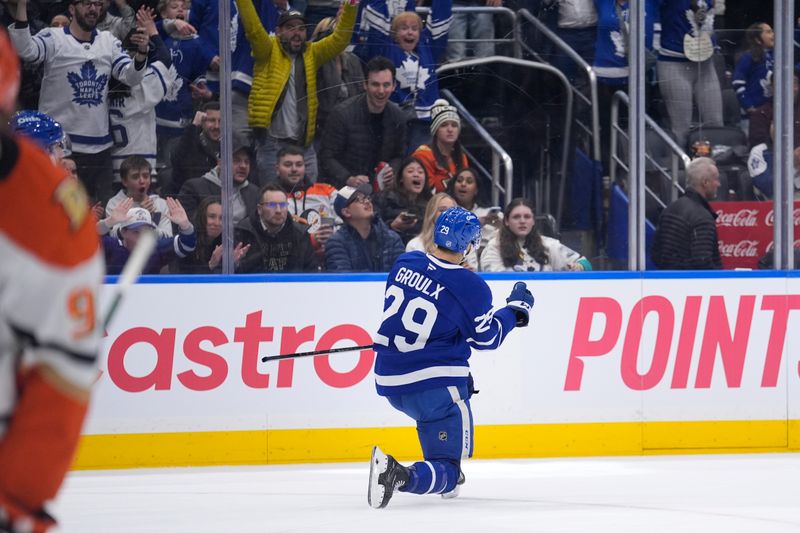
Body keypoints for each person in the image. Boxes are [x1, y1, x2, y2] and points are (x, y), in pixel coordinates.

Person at [0, 29, 104, 533]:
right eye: (59, 151)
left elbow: (60, 376)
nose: (68, 161)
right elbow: (62, 379)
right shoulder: (57, 221)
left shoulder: (55, 221)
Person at [368, 206, 534, 509]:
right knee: (448, 468)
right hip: (434, 387)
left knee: (435, 434)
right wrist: (515, 311)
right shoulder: (470, 287)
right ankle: (398, 474)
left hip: (390, 379)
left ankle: (436, 470)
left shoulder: (405, 262)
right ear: (470, 245)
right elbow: (487, 338)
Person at [9, 0, 150, 203]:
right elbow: (27, 51)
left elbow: (131, 77)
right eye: (86, 3)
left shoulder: (108, 41)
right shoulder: (53, 37)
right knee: (59, 210)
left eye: (97, 4)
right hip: (61, 148)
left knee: (98, 214)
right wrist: (21, 7)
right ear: (72, 9)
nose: (93, 8)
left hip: (99, 148)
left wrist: (142, 52)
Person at [235, 0, 360, 183]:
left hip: (304, 146)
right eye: (290, 28)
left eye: (301, 28)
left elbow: (340, 40)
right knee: (272, 198)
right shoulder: (267, 50)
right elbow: (253, 28)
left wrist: (351, 6)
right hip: (271, 144)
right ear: (278, 32)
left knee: (309, 200)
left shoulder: (312, 53)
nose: (297, 33)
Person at [356, 0, 452, 153]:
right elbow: (378, 21)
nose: (409, 32)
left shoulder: (428, 47)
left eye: (414, 29)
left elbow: (441, 19)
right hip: (391, 121)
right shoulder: (384, 48)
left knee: (419, 166)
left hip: (423, 123)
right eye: (404, 28)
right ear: (394, 34)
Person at [108, 7, 177, 188]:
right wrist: (153, 31)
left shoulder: (105, 87)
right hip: (140, 168)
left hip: (114, 166)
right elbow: (165, 61)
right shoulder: (140, 87)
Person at [319, 55, 408, 190]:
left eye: (386, 85)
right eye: (375, 84)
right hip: (343, 190)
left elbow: (400, 155)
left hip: (380, 189)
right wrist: (348, 178)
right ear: (365, 84)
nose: (381, 91)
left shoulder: (398, 116)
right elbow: (326, 157)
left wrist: (392, 171)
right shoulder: (342, 114)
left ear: (394, 86)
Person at [657, 0, 723, 150]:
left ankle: (713, 169)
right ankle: (681, 170)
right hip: (674, 62)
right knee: (682, 128)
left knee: (716, 124)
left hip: (705, 62)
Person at [480, 197, 592, 272]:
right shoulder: (494, 247)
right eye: (516, 217)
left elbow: (586, 264)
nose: (522, 221)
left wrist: (579, 267)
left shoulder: (549, 244)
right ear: (506, 221)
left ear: (533, 221)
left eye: (527, 217)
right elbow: (495, 283)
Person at [652, 157, 722, 270]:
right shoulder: (703, 218)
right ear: (705, 182)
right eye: (716, 179)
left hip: (667, 283)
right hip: (694, 286)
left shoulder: (669, 209)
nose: (719, 184)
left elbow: (656, 255)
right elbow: (703, 264)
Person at [98, 197, 197, 274]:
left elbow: (186, 246)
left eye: (146, 232)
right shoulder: (111, 246)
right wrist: (108, 222)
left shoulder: (156, 248)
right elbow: (85, 241)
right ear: (124, 232)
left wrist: (185, 225)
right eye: (136, 232)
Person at [235, 184, 320, 272]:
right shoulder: (243, 231)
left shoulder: (300, 233)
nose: (278, 211)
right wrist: (235, 263)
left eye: (283, 205)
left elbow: (311, 271)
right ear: (259, 209)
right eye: (272, 205)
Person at [177, 137, 260, 223]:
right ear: (220, 163)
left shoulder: (255, 193)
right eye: (236, 160)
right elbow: (188, 226)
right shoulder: (195, 188)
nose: (243, 166)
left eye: (247, 162)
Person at [324, 184, 405, 271]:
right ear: (346, 212)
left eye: (367, 198)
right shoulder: (336, 243)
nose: (367, 202)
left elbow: (400, 276)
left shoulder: (391, 238)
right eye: (359, 199)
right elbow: (342, 280)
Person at [274, 145, 337, 254]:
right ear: (277, 169)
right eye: (288, 165)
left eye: (299, 165)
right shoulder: (271, 198)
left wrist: (332, 237)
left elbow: (347, 225)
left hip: (331, 256)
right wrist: (312, 241)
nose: (294, 169)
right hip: (292, 261)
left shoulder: (327, 191)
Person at [312, 13, 365, 141]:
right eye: (330, 35)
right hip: (322, 128)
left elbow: (361, 94)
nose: (335, 40)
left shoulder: (353, 61)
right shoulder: (314, 61)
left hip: (351, 127)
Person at [173, 196, 251, 273]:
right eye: (212, 217)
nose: (217, 223)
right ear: (202, 217)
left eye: (222, 218)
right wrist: (211, 265)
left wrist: (234, 264)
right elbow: (186, 279)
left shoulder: (228, 241)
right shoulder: (188, 242)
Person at [406, 192, 478, 269]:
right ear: (432, 214)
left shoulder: (467, 244)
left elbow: (476, 273)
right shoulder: (414, 245)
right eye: (442, 210)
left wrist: (468, 271)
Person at [106, 156, 173, 237]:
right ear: (124, 181)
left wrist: (148, 221)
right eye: (135, 177)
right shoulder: (114, 204)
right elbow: (114, 236)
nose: (142, 181)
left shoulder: (161, 204)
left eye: (146, 176)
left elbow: (168, 237)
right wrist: (139, 217)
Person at [412, 98, 469, 193]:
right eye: (444, 125)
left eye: (454, 125)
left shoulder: (462, 157)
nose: (450, 129)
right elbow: (427, 192)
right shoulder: (423, 155)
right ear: (435, 131)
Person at [372, 155, 430, 244]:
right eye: (410, 171)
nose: (416, 174)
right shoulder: (384, 198)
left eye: (420, 172)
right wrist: (393, 227)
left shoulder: (430, 205)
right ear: (401, 179)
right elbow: (372, 232)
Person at [170, 101, 221, 194]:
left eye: (221, 121)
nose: (217, 126)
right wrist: (194, 126)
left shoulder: (232, 146)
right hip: (193, 198)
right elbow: (177, 161)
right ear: (202, 122)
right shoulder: (189, 142)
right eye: (212, 120)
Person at [445, 167, 501, 252]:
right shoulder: (446, 212)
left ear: (476, 190)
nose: (463, 184)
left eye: (469, 182)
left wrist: (502, 226)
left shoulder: (487, 211)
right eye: (459, 180)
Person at [732, 22, 774, 119]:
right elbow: (737, 83)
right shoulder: (748, 57)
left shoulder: (775, 56)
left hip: (771, 112)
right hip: (752, 115)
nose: (773, 34)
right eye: (768, 32)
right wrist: (749, 106)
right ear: (757, 39)